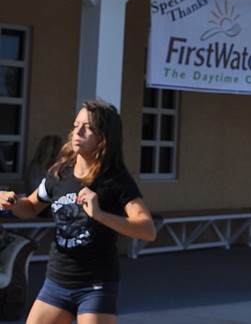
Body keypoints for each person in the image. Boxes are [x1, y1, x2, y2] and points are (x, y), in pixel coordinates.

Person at [0, 99, 156, 324]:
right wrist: (13, 202)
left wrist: (100, 214)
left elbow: (147, 230)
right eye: (76, 125)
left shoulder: (116, 179)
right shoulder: (59, 173)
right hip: (56, 282)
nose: (78, 131)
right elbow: (31, 207)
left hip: (96, 286)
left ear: (103, 138)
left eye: (88, 127)